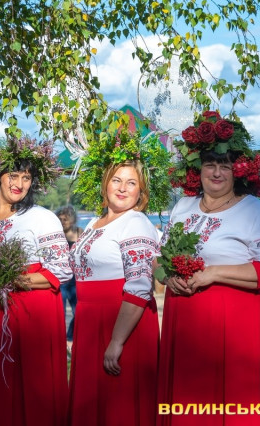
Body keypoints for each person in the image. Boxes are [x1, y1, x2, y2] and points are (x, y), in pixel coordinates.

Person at [158, 110, 260, 425]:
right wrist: (168, 277)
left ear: (238, 171)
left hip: (232, 324)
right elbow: (159, 258)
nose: (216, 172)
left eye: (225, 166)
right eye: (210, 164)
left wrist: (214, 273)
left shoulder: (253, 211)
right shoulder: (183, 206)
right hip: (183, 320)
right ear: (197, 168)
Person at [0, 137, 72, 426]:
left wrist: (12, 279)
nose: (20, 183)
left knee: (28, 393)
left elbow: (61, 270)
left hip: (28, 317)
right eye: (14, 175)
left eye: (26, 177)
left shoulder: (41, 218)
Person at [68, 130, 171, 426]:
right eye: (116, 180)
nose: (123, 188)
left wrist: (116, 341)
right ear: (105, 184)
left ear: (141, 192)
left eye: (131, 183)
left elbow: (139, 287)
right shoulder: (94, 222)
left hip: (121, 323)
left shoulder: (136, 223)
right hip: (90, 321)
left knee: (119, 408)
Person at [55, 205, 83, 350]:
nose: (62, 222)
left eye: (65, 219)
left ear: (72, 220)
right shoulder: (55, 234)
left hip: (75, 280)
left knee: (79, 312)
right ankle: (60, 341)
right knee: (59, 313)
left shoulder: (79, 232)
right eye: (60, 219)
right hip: (60, 280)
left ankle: (70, 336)